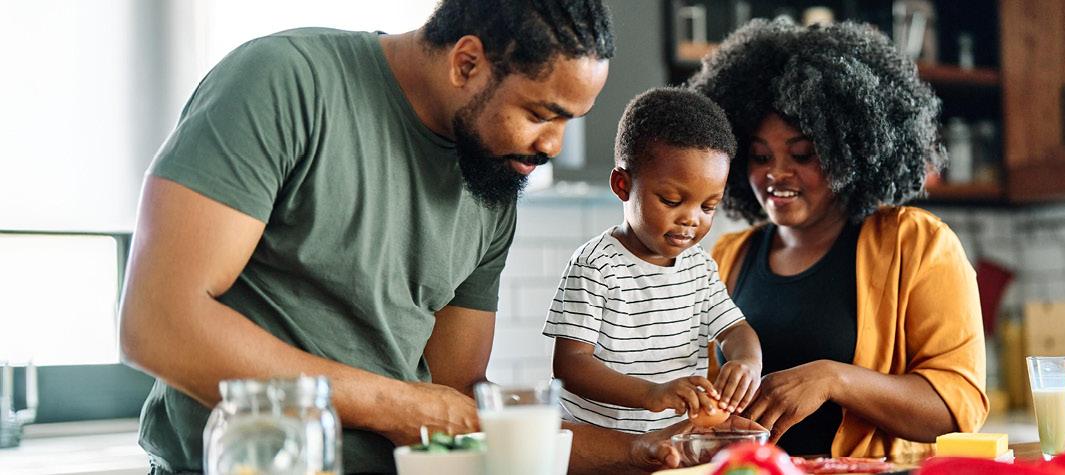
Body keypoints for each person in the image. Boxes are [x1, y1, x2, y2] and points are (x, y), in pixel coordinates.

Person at [117, 1, 739, 473]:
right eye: (540, 114)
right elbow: (159, 325)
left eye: (567, 123)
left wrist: (647, 450)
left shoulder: (492, 177)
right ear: (466, 62)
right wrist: (397, 405)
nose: (550, 147)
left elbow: (456, 401)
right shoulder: (284, 82)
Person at [689, 19, 989, 459]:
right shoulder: (728, 256)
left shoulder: (916, 243)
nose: (776, 174)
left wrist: (834, 379)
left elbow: (958, 406)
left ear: (848, 149)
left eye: (802, 154)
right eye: (759, 156)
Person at [544, 88, 763, 434]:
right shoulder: (596, 266)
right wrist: (651, 394)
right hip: (602, 448)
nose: (692, 219)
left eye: (708, 206)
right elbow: (571, 366)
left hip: (673, 443)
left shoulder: (699, 267)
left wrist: (746, 362)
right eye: (672, 200)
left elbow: (734, 330)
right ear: (622, 184)